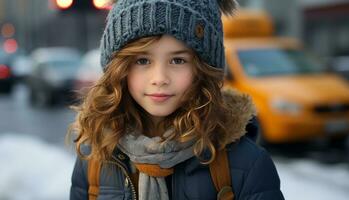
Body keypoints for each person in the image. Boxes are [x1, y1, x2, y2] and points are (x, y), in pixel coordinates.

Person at [68, 0, 285, 199]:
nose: (160, 78)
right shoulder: (94, 157)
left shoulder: (246, 165)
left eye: (178, 60)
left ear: (204, 68)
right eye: (142, 60)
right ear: (118, 68)